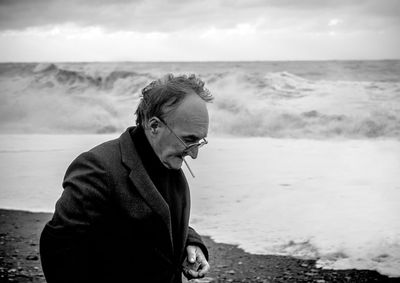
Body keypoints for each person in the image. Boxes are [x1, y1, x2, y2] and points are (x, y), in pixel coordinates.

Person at [40, 74, 213, 283]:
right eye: (188, 140)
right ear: (155, 126)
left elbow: (156, 223)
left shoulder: (167, 158)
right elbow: (58, 249)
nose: (194, 154)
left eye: (200, 141)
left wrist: (189, 242)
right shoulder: (97, 167)